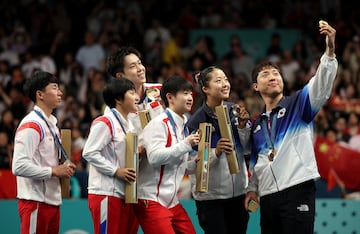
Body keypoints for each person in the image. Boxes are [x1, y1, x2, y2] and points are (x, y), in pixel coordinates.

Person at [244, 21, 338, 234]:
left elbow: (321, 85)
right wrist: (252, 190)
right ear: (255, 86)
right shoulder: (257, 126)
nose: (273, 77)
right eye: (266, 74)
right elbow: (256, 163)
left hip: (297, 189)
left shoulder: (299, 104)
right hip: (267, 197)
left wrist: (329, 52)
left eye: (276, 73)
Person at [186, 66, 251, 234]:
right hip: (211, 199)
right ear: (205, 89)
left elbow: (247, 149)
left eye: (226, 79)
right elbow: (189, 165)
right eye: (218, 80)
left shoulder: (235, 112)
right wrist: (215, 152)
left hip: (238, 194)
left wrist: (243, 127)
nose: (225, 84)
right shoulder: (196, 122)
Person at [12, 70, 76, 234]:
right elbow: (18, 166)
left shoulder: (52, 123)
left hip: (52, 200)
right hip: (35, 201)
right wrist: (54, 171)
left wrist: (63, 167)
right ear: (40, 94)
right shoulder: (31, 124)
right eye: (55, 88)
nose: (60, 92)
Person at [135, 76, 200, 234]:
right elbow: (155, 157)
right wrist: (186, 145)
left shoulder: (183, 124)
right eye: (185, 93)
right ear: (170, 97)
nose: (190, 97)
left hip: (172, 202)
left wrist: (195, 164)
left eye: (191, 93)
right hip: (151, 199)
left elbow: (176, 166)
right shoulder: (159, 123)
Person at [82, 78, 140, 234]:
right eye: (132, 93)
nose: (137, 98)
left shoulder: (130, 125)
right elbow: (89, 152)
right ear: (118, 99)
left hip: (125, 193)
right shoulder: (105, 122)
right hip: (105, 193)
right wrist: (116, 171)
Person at [106, 46, 163, 134]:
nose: (140, 69)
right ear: (120, 76)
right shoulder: (115, 106)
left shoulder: (161, 90)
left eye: (139, 63)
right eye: (133, 66)